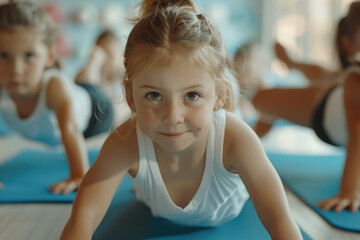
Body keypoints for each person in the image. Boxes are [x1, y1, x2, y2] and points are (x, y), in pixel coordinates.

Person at [60, 0, 303, 239]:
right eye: (154, 96)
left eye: (191, 95)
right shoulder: (124, 142)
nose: (172, 117)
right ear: (130, 98)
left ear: (219, 96)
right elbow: (84, 217)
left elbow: (277, 216)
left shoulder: (236, 140)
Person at [251, 1, 360, 213]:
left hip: (338, 93)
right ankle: (290, 64)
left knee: (331, 77)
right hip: (325, 107)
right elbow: (358, 134)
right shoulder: (355, 78)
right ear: (348, 43)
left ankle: (291, 63)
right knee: (261, 99)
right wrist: (350, 191)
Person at [0, 1, 113, 194]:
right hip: (75, 95)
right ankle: (91, 67)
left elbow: (69, 130)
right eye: (3, 55)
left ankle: (96, 60)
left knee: (96, 90)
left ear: (50, 55)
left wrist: (79, 175)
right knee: (82, 80)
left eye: (28, 55)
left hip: (95, 112)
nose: (15, 70)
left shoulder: (54, 87)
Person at [274, 2, 360, 86]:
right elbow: (323, 75)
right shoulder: (351, 78)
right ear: (348, 44)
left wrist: (291, 63)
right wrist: (291, 63)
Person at [75, 30, 131, 126]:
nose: (106, 61)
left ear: (120, 56)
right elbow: (82, 91)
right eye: (102, 54)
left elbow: (116, 113)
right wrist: (94, 61)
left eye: (111, 55)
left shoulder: (126, 79)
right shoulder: (91, 73)